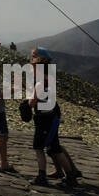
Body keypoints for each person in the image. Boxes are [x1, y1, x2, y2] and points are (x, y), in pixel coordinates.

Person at [24, 49, 81, 188]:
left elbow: (32, 103)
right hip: (51, 115)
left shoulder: (40, 82)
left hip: (44, 119)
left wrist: (27, 100)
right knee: (54, 146)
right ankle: (69, 174)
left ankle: (46, 176)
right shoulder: (48, 79)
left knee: (44, 148)